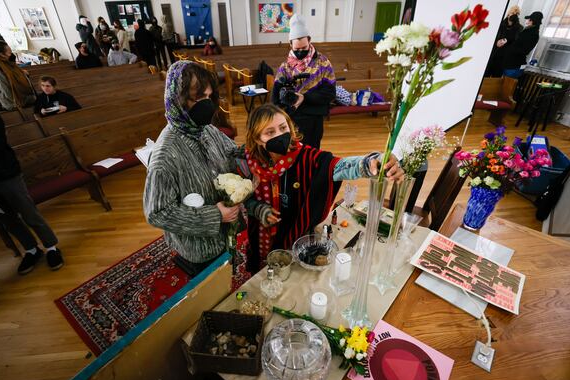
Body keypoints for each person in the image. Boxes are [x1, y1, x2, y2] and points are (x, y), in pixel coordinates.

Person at [143, 61, 268, 281]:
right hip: (198, 246)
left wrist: (258, 150)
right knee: (211, 286)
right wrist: (215, 215)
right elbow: (157, 213)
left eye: (208, 97)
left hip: (224, 233)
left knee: (225, 270)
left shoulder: (205, 129)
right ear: (177, 100)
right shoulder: (164, 156)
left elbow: (231, 151)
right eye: (197, 98)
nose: (207, 105)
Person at [244, 104, 403, 267]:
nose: (280, 135)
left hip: (296, 236)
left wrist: (372, 161)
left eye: (283, 127)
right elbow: (242, 200)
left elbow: (338, 166)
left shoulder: (308, 158)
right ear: (258, 139)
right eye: (270, 132)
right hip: (260, 235)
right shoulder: (247, 162)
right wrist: (258, 209)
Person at [0, 94, 63, 275]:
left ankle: (51, 247)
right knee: (6, 218)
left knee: (27, 210)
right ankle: (31, 250)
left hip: (3, 170)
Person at [272, 14, 335, 149]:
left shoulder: (323, 62)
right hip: (291, 119)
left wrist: (304, 98)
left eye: (304, 48)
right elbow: (275, 98)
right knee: (293, 153)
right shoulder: (285, 67)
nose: (300, 52)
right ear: (290, 44)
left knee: (312, 154)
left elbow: (330, 93)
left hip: (314, 119)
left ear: (309, 40)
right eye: (296, 49)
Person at [0, 39, 36, 111]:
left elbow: (15, 74)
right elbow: (6, 91)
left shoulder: (8, 62)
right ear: (1, 54)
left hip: (25, 98)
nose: (11, 54)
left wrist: (22, 73)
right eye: (9, 52)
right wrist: (16, 104)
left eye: (10, 50)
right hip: (14, 104)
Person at [502, 11, 542, 77]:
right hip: (511, 63)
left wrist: (510, 48)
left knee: (507, 84)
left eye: (529, 19)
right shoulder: (527, 30)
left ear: (534, 21)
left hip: (514, 65)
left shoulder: (533, 34)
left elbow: (524, 50)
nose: (527, 20)